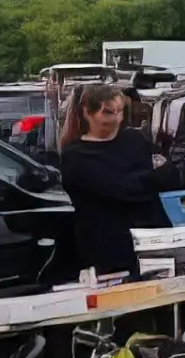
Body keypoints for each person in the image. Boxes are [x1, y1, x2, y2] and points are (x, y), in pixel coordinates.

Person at [60, 83, 178, 280]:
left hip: (154, 242)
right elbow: (120, 189)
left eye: (120, 111)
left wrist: (148, 177)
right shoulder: (75, 155)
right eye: (108, 113)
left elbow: (172, 178)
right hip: (109, 251)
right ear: (88, 113)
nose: (117, 119)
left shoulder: (133, 138)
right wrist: (151, 176)